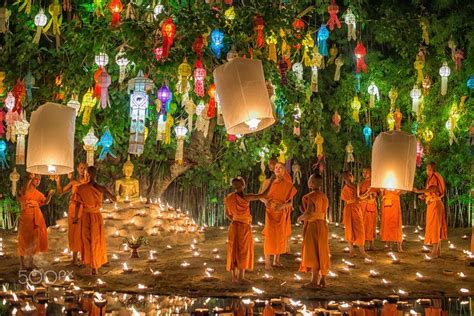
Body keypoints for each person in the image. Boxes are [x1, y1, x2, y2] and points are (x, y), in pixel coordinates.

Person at [225, 175, 274, 283]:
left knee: (233, 250)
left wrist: (236, 218)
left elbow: (227, 214)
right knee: (243, 251)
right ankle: (241, 277)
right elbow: (263, 195)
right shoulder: (246, 197)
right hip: (243, 227)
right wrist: (271, 181)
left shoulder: (229, 198)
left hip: (234, 226)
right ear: (243, 185)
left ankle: (234, 277)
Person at [73, 166, 116, 275]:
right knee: (90, 241)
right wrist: (75, 218)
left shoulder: (91, 188)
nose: (87, 176)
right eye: (86, 174)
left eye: (88, 174)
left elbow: (78, 204)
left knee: (92, 241)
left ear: (92, 175)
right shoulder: (86, 188)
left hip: (92, 216)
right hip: (90, 216)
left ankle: (93, 265)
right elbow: (78, 204)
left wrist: (75, 217)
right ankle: (92, 265)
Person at [262, 162, 297, 269]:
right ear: (273, 170)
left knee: (280, 236)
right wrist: (265, 202)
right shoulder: (267, 182)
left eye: (280, 168)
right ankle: (267, 261)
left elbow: (291, 203)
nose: (278, 169)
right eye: (276, 167)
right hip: (270, 212)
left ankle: (276, 260)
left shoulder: (288, 185)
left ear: (284, 171)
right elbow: (260, 196)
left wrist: (282, 206)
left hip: (281, 212)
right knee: (269, 236)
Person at [297, 174, 330, 288]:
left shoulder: (312, 196)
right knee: (322, 251)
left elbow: (309, 213)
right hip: (322, 225)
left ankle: (313, 281)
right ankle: (323, 280)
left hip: (313, 226)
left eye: (310, 181)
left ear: (312, 183)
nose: (309, 182)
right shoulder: (324, 196)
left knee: (313, 252)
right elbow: (320, 212)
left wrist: (300, 217)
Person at [17, 173, 55, 270]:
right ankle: (22, 264)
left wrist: (50, 195)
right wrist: (29, 179)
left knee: (34, 239)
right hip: (25, 217)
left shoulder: (38, 193)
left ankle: (30, 263)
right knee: (23, 239)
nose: (38, 181)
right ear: (31, 179)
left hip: (36, 217)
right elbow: (24, 193)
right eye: (36, 179)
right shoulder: (24, 189)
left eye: (39, 179)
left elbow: (45, 202)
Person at [413, 162, 447, 258]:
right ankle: (438, 251)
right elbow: (431, 191)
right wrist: (424, 196)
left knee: (435, 227)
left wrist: (419, 191)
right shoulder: (432, 177)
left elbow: (434, 188)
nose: (426, 170)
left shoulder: (434, 177)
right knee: (435, 226)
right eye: (427, 168)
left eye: (428, 168)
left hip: (435, 205)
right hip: (433, 203)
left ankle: (434, 251)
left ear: (432, 169)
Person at [55, 162, 87, 266]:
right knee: (73, 233)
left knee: (82, 233)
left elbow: (86, 190)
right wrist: (58, 181)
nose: (83, 170)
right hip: (73, 208)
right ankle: (74, 259)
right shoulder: (73, 182)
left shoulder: (87, 181)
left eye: (85, 168)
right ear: (77, 169)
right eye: (81, 168)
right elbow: (61, 192)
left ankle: (84, 258)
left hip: (83, 209)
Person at [341, 171, 368, 258]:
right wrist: (368, 193)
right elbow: (357, 199)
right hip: (355, 208)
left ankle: (351, 251)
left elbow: (350, 199)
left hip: (348, 208)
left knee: (350, 229)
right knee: (359, 229)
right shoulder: (355, 186)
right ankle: (362, 252)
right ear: (349, 176)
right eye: (351, 175)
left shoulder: (344, 188)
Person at [359, 167, 378, 251]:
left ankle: (372, 244)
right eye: (363, 172)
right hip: (363, 206)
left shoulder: (374, 183)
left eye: (367, 172)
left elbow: (377, 193)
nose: (365, 174)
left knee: (371, 225)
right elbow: (359, 195)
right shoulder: (361, 183)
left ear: (371, 172)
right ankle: (363, 243)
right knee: (363, 225)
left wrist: (374, 194)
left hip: (371, 206)